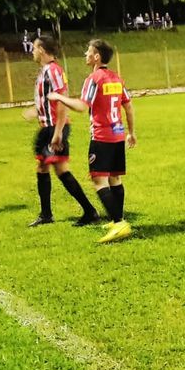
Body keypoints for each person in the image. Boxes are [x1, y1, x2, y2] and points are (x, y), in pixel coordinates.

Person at [48, 39, 136, 244]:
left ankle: (119, 224)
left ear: (97, 57)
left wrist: (59, 97)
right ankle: (118, 219)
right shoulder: (116, 78)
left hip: (102, 136)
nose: (85, 55)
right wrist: (131, 132)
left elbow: (82, 106)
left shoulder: (94, 79)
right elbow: (129, 106)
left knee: (99, 180)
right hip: (118, 134)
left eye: (88, 51)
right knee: (115, 178)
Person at [26, 37, 100, 228]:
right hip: (47, 128)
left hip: (54, 128)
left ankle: (89, 211)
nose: (32, 51)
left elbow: (61, 101)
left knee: (60, 169)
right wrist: (36, 111)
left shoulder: (53, 71)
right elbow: (48, 101)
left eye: (34, 48)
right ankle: (47, 214)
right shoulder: (45, 71)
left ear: (42, 50)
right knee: (43, 167)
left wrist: (58, 132)